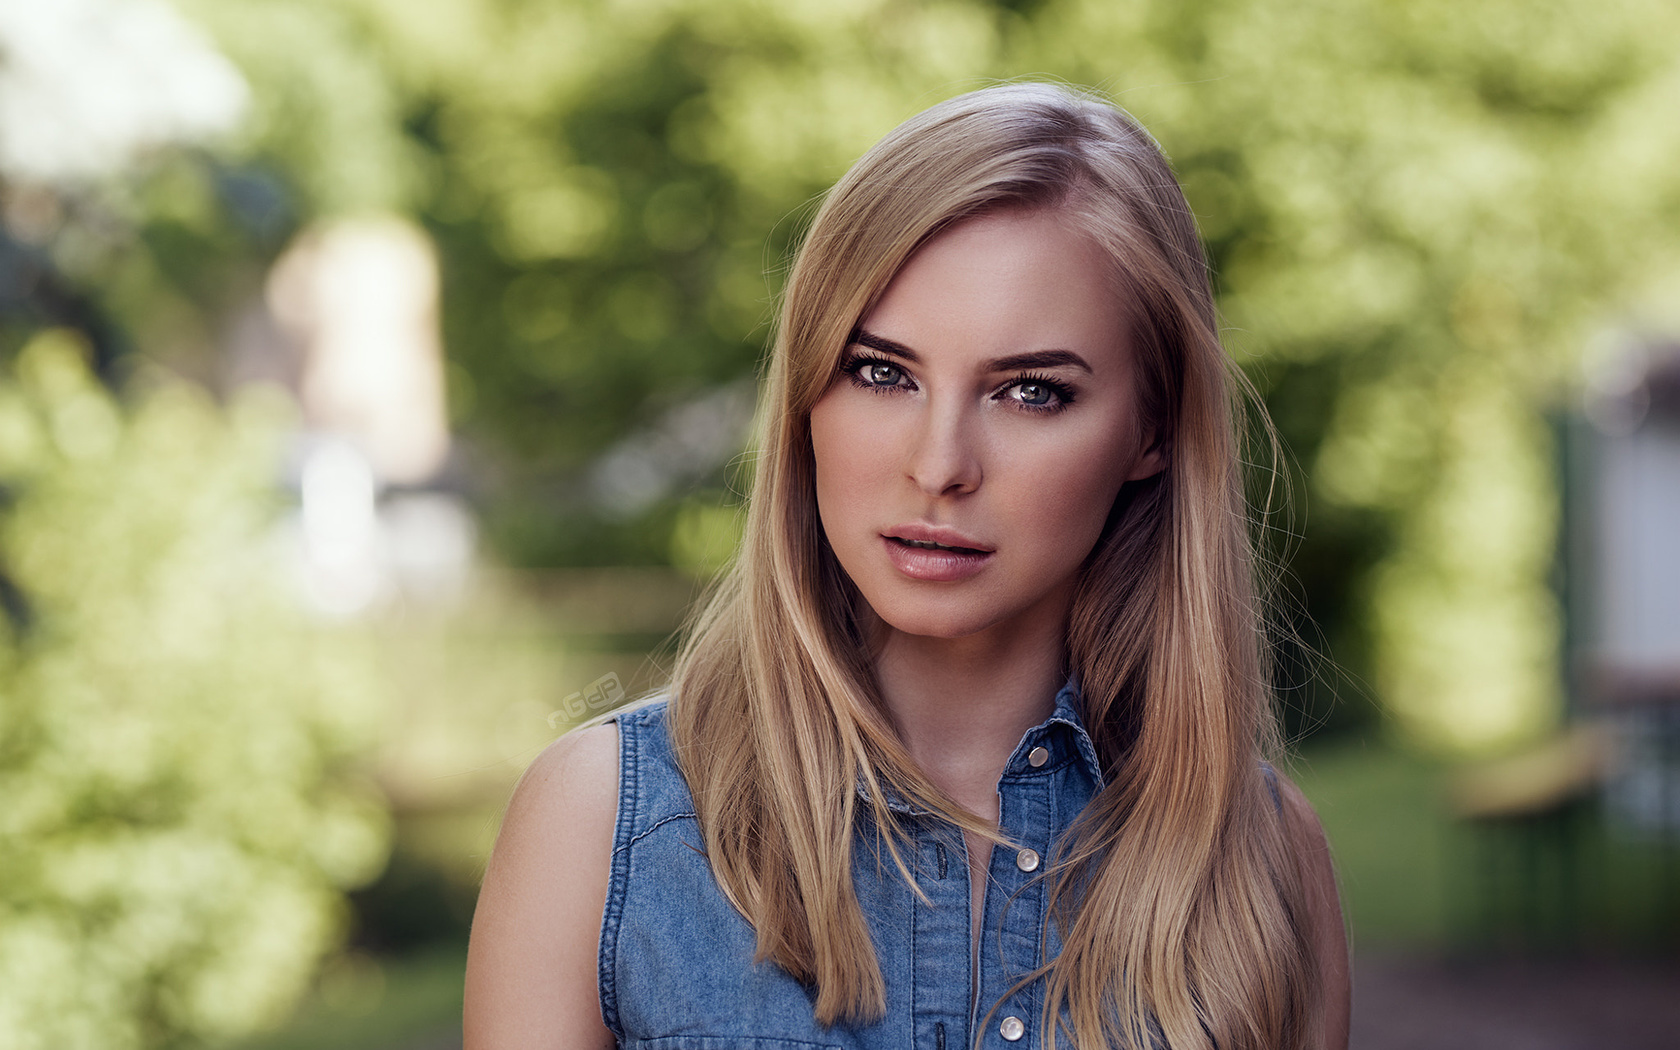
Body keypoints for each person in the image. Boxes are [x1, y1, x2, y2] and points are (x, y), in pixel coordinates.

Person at [464, 82, 1351, 1050]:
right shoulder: (601, 823)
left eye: (1030, 392)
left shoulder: (1262, 858)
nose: (938, 466)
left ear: (1151, 430)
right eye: (881, 372)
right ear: (807, 393)